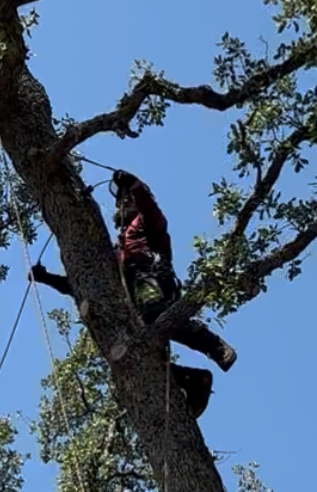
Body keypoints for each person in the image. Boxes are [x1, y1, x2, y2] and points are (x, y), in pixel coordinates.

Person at [30, 171, 237, 415]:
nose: (124, 203)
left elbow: (153, 213)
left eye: (128, 199)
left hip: (152, 277)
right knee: (134, 351)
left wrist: (133, 185)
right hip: (133, 294)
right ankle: (192, 379)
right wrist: (47, 278)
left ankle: (215, 346)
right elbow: (84, 286)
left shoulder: (145, 222)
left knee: (154, 315)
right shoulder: (116, 249)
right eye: (122, 200)